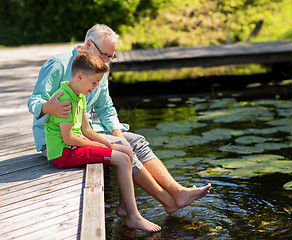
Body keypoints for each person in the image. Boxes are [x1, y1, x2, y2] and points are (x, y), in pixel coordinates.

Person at [28, 23, 211, 216]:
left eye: (110, 56)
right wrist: (47, 107)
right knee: (124, 150)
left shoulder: (98, 69)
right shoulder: (58, 64)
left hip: (84, 130)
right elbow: (34, 100)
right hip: (56, 140)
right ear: (89, 44)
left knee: (135, 140)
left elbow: (105, 107)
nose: (106, 61)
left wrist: (117, 134)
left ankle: (177, 191)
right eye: (104, 54)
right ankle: (166, 201)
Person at [45, 51, 161, 232]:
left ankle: (124, 206)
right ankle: (134, 217)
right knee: (121, 159)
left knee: (126, 150)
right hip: (64, 153)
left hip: (74, 145)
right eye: (94, 83)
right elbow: (69, 138)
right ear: (80, 76)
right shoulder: (64, 98)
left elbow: (87, 130)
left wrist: (109, 144)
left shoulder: (79, 94)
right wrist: (100, 146)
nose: (96, 86)